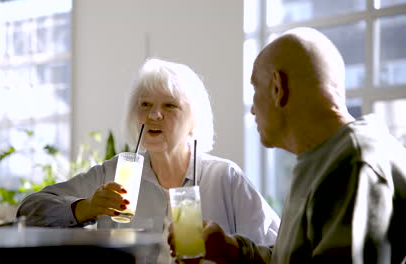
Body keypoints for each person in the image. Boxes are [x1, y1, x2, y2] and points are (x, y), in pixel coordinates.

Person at [169, 27, 406, 263]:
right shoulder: (324, 159)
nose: (252, 109)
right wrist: (230, 249)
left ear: (277, 88)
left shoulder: (353, 164)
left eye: (255, 89)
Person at [16, 58, 280, 260]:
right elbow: (29, 210)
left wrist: (227, 250)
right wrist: (87, 207)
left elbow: (277, 250)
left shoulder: (223, 177)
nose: (154, 115)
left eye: (169, 105)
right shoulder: (117, 172)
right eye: (145, 105)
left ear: (193, 121)